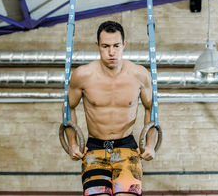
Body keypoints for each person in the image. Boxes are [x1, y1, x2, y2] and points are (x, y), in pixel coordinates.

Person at [63, 20, 157, 196]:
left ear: (124, 44)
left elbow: (151, 108)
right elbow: (69, 107)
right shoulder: (83, 75)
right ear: (97, 45)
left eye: (116, 46)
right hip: (94, 149)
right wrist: (73, 144)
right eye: (105, 46)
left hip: (127, 147)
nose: (111, 52)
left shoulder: (139, 75)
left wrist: (150, 144)